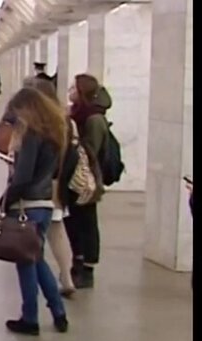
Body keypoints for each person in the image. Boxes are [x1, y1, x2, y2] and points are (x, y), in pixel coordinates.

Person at [0, 87, 69, 335]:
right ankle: (59, 312)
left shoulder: (31, 135)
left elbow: (24, 176)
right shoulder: (54, 132)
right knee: (36, 259)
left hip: (27, 206)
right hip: (45, 204)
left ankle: (30, 318)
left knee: (26, 263)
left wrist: (6, 199)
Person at [25, 78, 77, 297]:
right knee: (58, 229)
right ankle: (67, 277)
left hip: (43, 185)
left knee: (36, 235)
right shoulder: (66, 120)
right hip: (59, 183)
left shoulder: (40, 123)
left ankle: (45, 280)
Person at [65, 74, 112, 289]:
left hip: (87, 179)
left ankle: (87, 268)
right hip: (73, 177)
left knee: (87, 223)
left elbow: (91, 152)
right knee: (73, 221)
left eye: (74, 87)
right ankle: (77, 261)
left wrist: (74, 140)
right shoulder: (78, 114)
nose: (70, 91)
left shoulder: (93, 119)